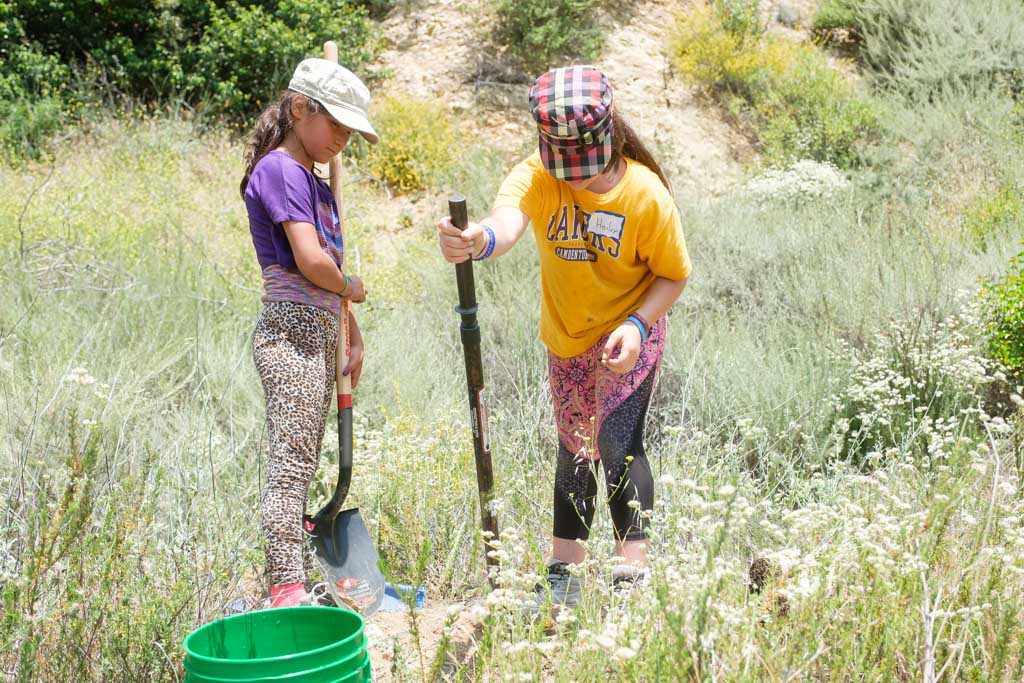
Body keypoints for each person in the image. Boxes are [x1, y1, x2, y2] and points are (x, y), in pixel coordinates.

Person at [437, 65, 691, 608]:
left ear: (609, 137)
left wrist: (639, 323)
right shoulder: (538, 175)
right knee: (575, 448)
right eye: (565, 168)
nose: (573, 179)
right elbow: (506, 223)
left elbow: (674, 274)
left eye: (585, 168)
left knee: (618, 442)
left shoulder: (646, 197)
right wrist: (476, 240)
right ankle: (565, 579)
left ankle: (631, 576)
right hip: (568, 337)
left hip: (631, 331)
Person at [240, 58, 378, 608]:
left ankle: (296, 572)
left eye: (351, 131)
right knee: (292, 461)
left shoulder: (316, 182)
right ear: (300, 108)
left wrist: (352, 328)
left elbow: (328, 277)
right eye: (336, 125)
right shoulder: (280, 171)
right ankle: (286, 587)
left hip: (321, 327)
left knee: (307, 454)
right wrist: (352, 286)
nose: (342, 139)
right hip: (290, 332)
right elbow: (312, 263)